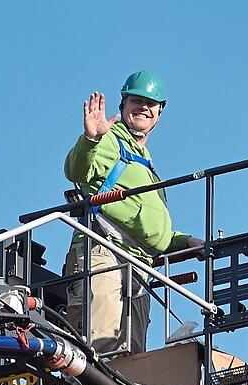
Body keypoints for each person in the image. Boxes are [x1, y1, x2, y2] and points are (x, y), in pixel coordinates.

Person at [62, 70, 202, 356]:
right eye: (137, 100)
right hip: (104, 252)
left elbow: (154, 233)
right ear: (123, 104)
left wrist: (185, 242)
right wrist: (90, 138)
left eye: (152, 104)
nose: (144, 108)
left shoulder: (147, 167)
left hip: (139, 268)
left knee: (132, 357)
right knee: (101, 345)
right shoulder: (110, 140)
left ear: (160, 113)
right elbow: (75, 171)